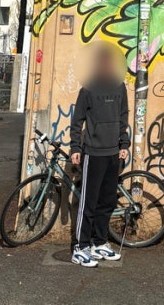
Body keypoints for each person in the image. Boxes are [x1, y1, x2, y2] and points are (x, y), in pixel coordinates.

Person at [69, 44, 130, 268]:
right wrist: (76, 148)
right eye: (101, 62)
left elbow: (123, 116)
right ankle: (81, 247)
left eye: (108, 62)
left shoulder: (119, 87)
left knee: (107, 202)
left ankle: (99, 242)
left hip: (113, 153)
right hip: (93, 153)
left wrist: (124, 143)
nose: (105, 66)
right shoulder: (88, 89)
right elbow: (77, 121)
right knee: (88, 203)